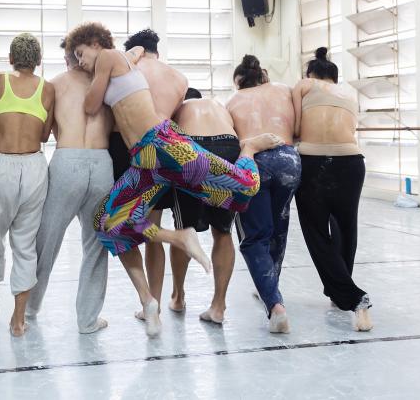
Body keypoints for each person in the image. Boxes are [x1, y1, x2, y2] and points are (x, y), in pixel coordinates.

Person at [66, 22, 281, 338]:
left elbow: (89, 105)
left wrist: (98, 70)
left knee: (245, 186)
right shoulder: (132, 60)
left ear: (96, 43)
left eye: (80, 53)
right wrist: (135, 53)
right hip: (145, 158)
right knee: (107, 223)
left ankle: (249, 147)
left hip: (164, 143)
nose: (80, 61)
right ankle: (157, 282)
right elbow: (135, 59)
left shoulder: (109, 57)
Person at [26, 38, 115, 334]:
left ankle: (29, 308)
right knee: (95, 244)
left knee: (47, 238)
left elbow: (43, 133)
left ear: (68, 59)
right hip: (102, 162)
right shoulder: (107, 83)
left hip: (67, 159)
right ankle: (88, 320)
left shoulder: (54, 84)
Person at [0, 33, 55, 337]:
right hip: (35, 165)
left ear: (10, 58)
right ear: (38, 60)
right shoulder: (47, 89)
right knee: (25, 244)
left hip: (3, 164)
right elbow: (45, 134)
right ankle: (18, 319)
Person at [292, 47, 372, 332]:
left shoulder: (304, 85)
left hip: (315, 162)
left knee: (315, 231)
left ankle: (351, 295)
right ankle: (339, 293)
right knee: (346, 228)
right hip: (352, 162)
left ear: (310, 74)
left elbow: (297, 129)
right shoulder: (350, 94)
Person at [225, 55, 301, 334]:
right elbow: (296, 128)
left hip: (255, 162)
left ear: (238, 82)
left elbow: (231, 142)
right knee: (278, 228)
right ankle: (270, 288)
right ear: (263, 76)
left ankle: (275, 305)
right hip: (289, 159)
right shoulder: (284, 90)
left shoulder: (233, 101)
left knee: (254, 237)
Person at [120, 29, 188, 323]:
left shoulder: (129, 68)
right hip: (166, 153)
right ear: (156, 51)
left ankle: (146, 299)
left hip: (133, 151)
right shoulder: (178, 78)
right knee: (153, 230)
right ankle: (156, 304)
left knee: (120, 225)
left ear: (135, 50)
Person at [168, 88, 240, 324]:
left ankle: (178, 297)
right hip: (229, 146)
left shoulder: (179, 108)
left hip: (192, 145)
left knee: (184, 230)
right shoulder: (219, 106)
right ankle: (218, 306)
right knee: (223, 231)